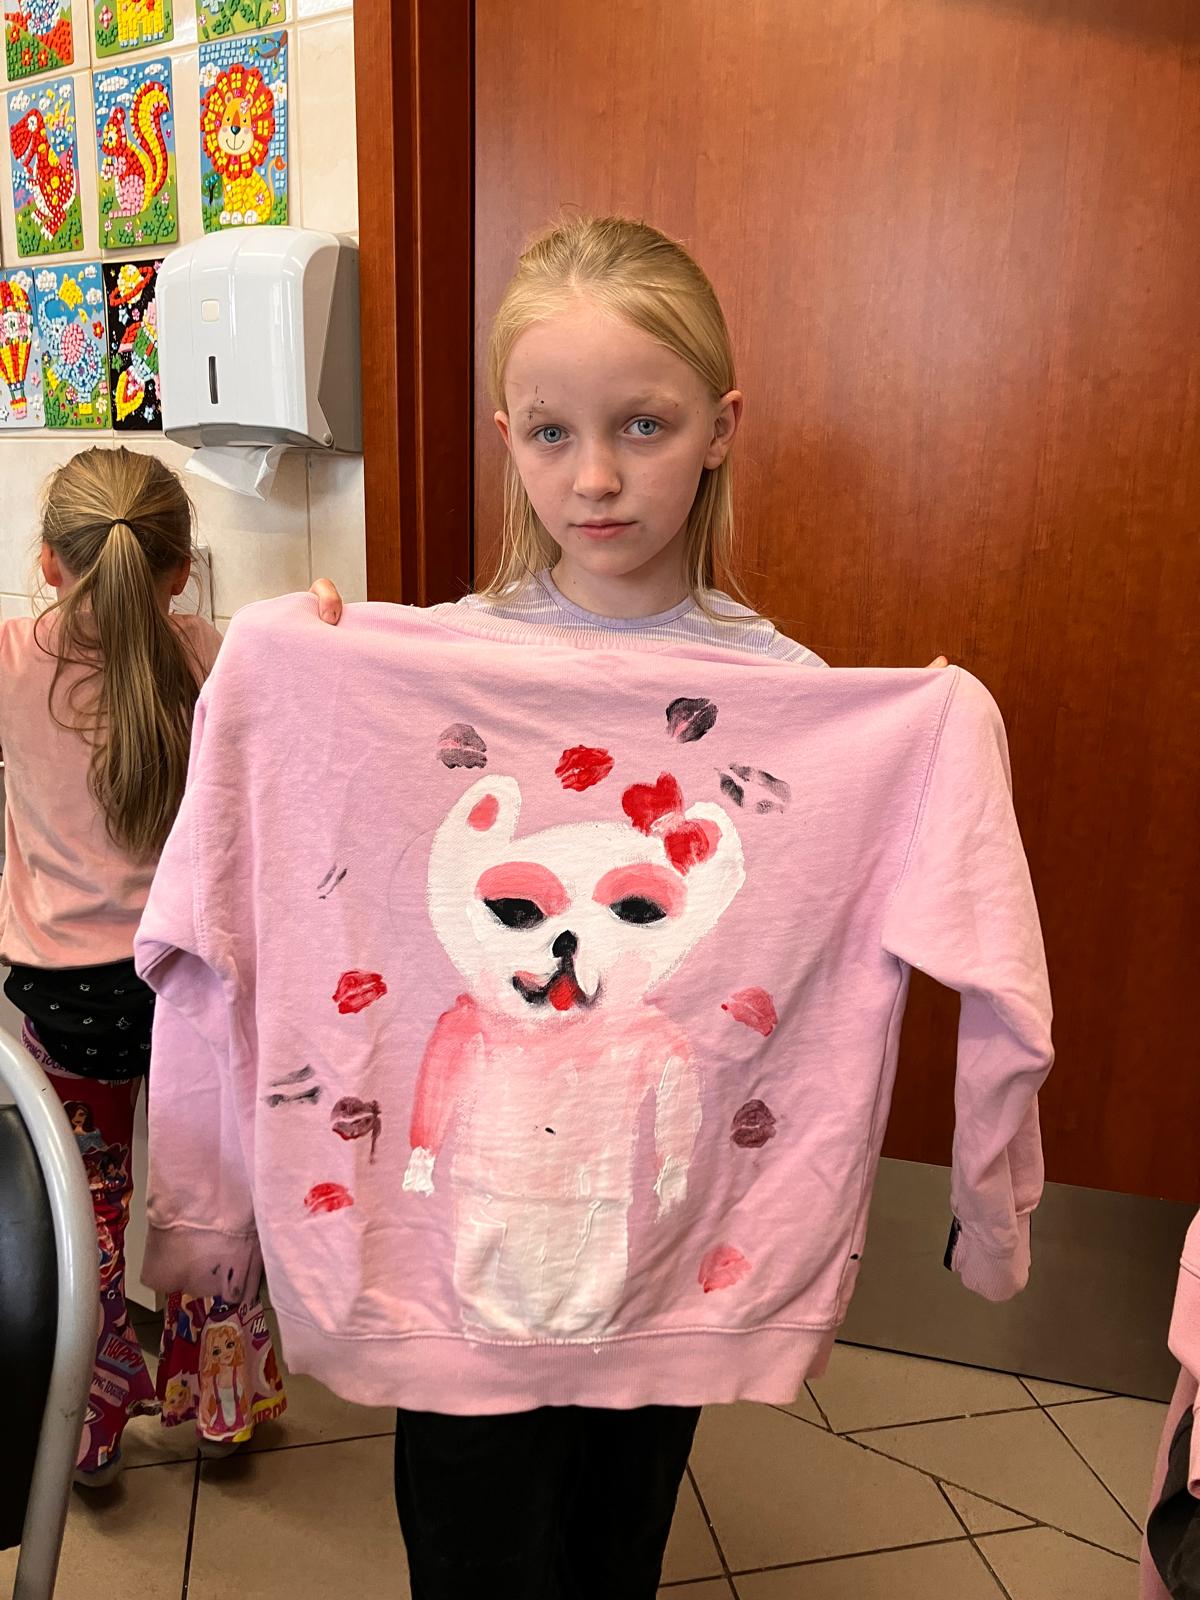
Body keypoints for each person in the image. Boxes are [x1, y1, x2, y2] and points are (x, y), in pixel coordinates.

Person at [393, 215, 947, 1593]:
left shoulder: (789, 697)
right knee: (470, 1544)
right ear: (506, 437)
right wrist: (314, 658)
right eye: (550, 432)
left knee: (615, 1541)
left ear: (719, 429)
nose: (593, 477)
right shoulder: (440, 665)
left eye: (642, 425)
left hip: (658, 1247)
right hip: (472, 1257)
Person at [0, 446, 338, 1485]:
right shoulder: (210, 656)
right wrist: (321, 612)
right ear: (182, 570)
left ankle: (88, 1429)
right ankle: (223, 1411)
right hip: (190, 979)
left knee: (85, 1208)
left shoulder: (9, 658)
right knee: (210, 1193)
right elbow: (312, 664)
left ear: (50, 564)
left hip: (66, 994)